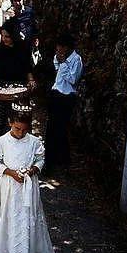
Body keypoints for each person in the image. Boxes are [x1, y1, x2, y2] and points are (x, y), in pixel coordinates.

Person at [0, 108, 56, 253]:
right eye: (17, 128)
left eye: (24, 130)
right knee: (9, 213)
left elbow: (40, 159)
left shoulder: (34, 142)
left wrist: (32, 170)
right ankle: (6, 249)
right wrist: (10, 172)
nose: (20, 133)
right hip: (9, 185)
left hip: (28, 185)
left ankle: (27, 251)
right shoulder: (2, 141)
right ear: (10, 123)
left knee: (27, 214)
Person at [0, 20, 36, 140]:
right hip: (3, 87)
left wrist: (31, 80)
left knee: (19, 118)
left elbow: (28, 67)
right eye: (3, 36)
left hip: (20, 87)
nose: (4, 39)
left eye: (7, 36)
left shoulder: (24, 47)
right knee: (1, 119)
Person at [44, 33, 83, 171]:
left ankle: (63, 160)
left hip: (67, 97)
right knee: (51, 128)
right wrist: (60, 62)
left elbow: (73, 79)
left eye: (60, 47)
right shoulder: (58, 57)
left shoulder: (76, 60)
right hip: (56, 94)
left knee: (61, 129)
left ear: (67, 47)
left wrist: (64, 64)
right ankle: (50, 161)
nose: (58, 50)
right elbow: (56, 70)